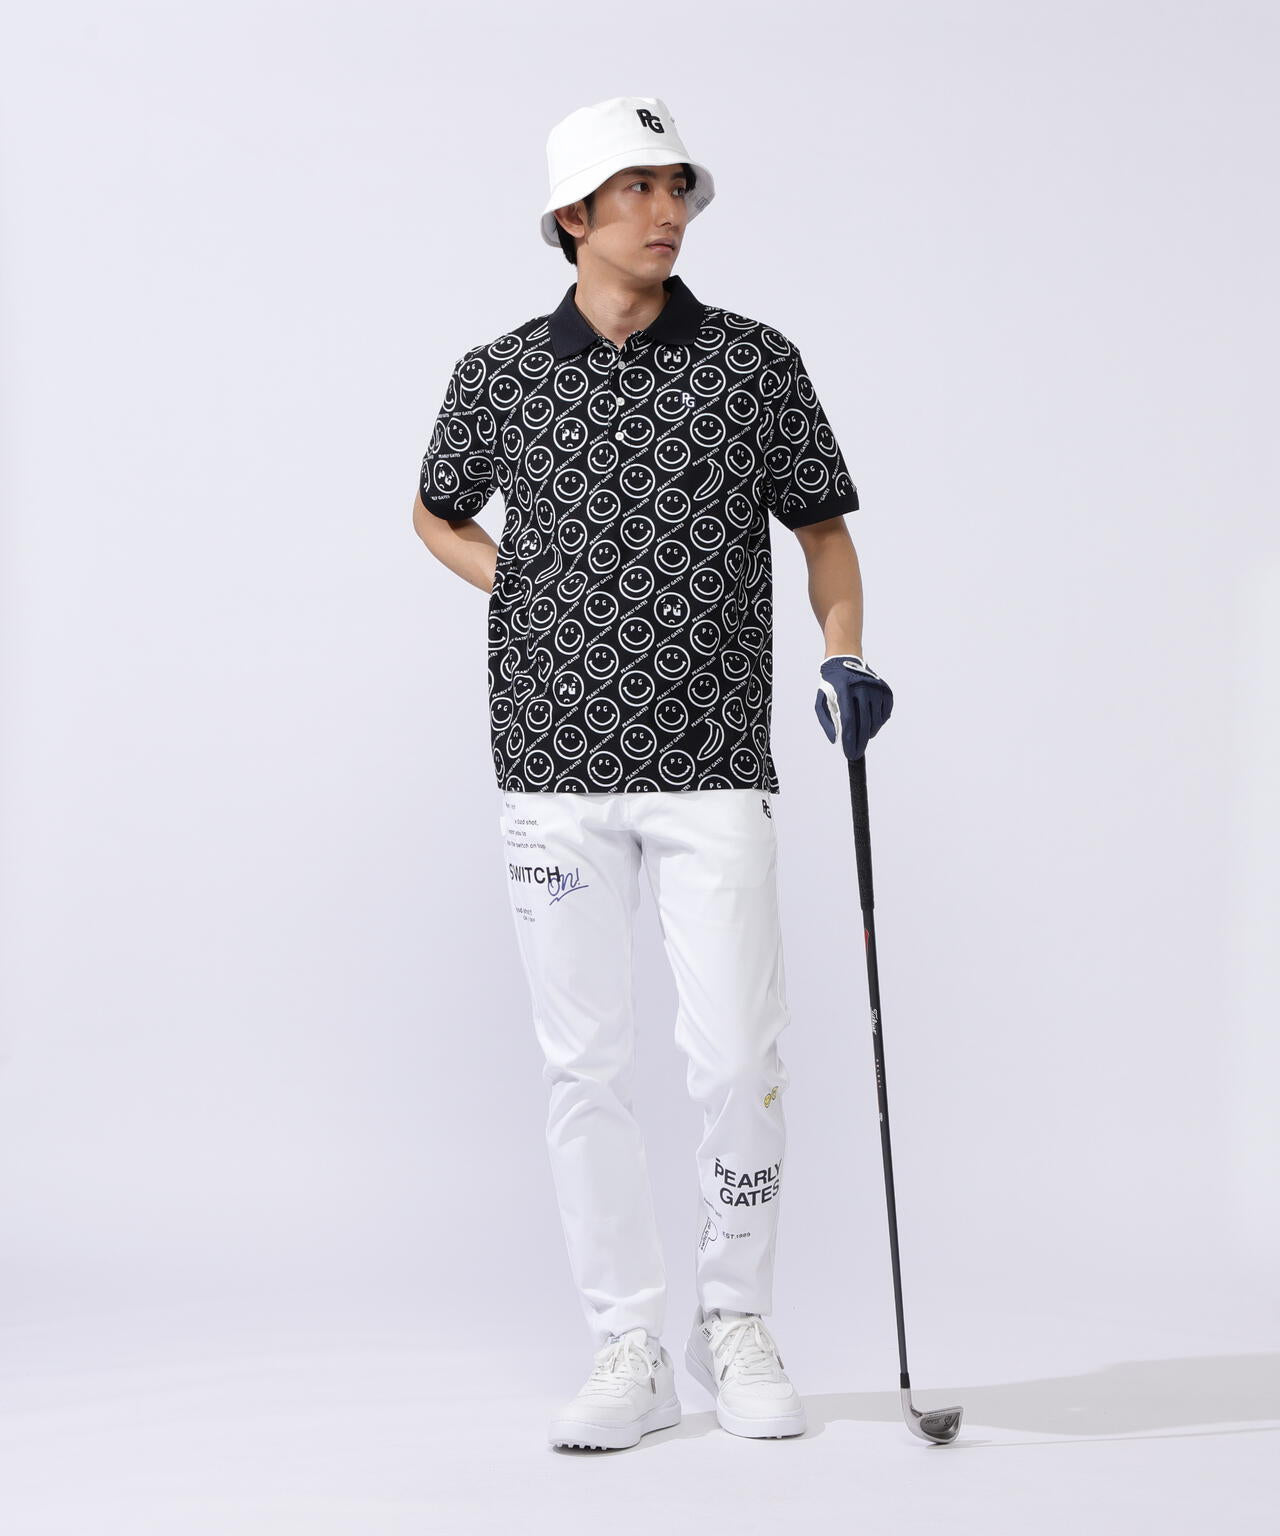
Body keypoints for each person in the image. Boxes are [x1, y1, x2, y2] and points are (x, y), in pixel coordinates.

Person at [412, 96, 893, 1452]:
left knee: (738, 1056)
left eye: (677, 186)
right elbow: (435, 510)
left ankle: (734, 1319)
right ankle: (625, 1340)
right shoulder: (499, 375)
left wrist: (845, 658)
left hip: (714, 760)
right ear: (573, 217)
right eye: (635, 188)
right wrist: (528, 592)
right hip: (552, 765)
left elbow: (824, 535)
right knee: (585, 1067)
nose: (667, 210)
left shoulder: (753, 363)